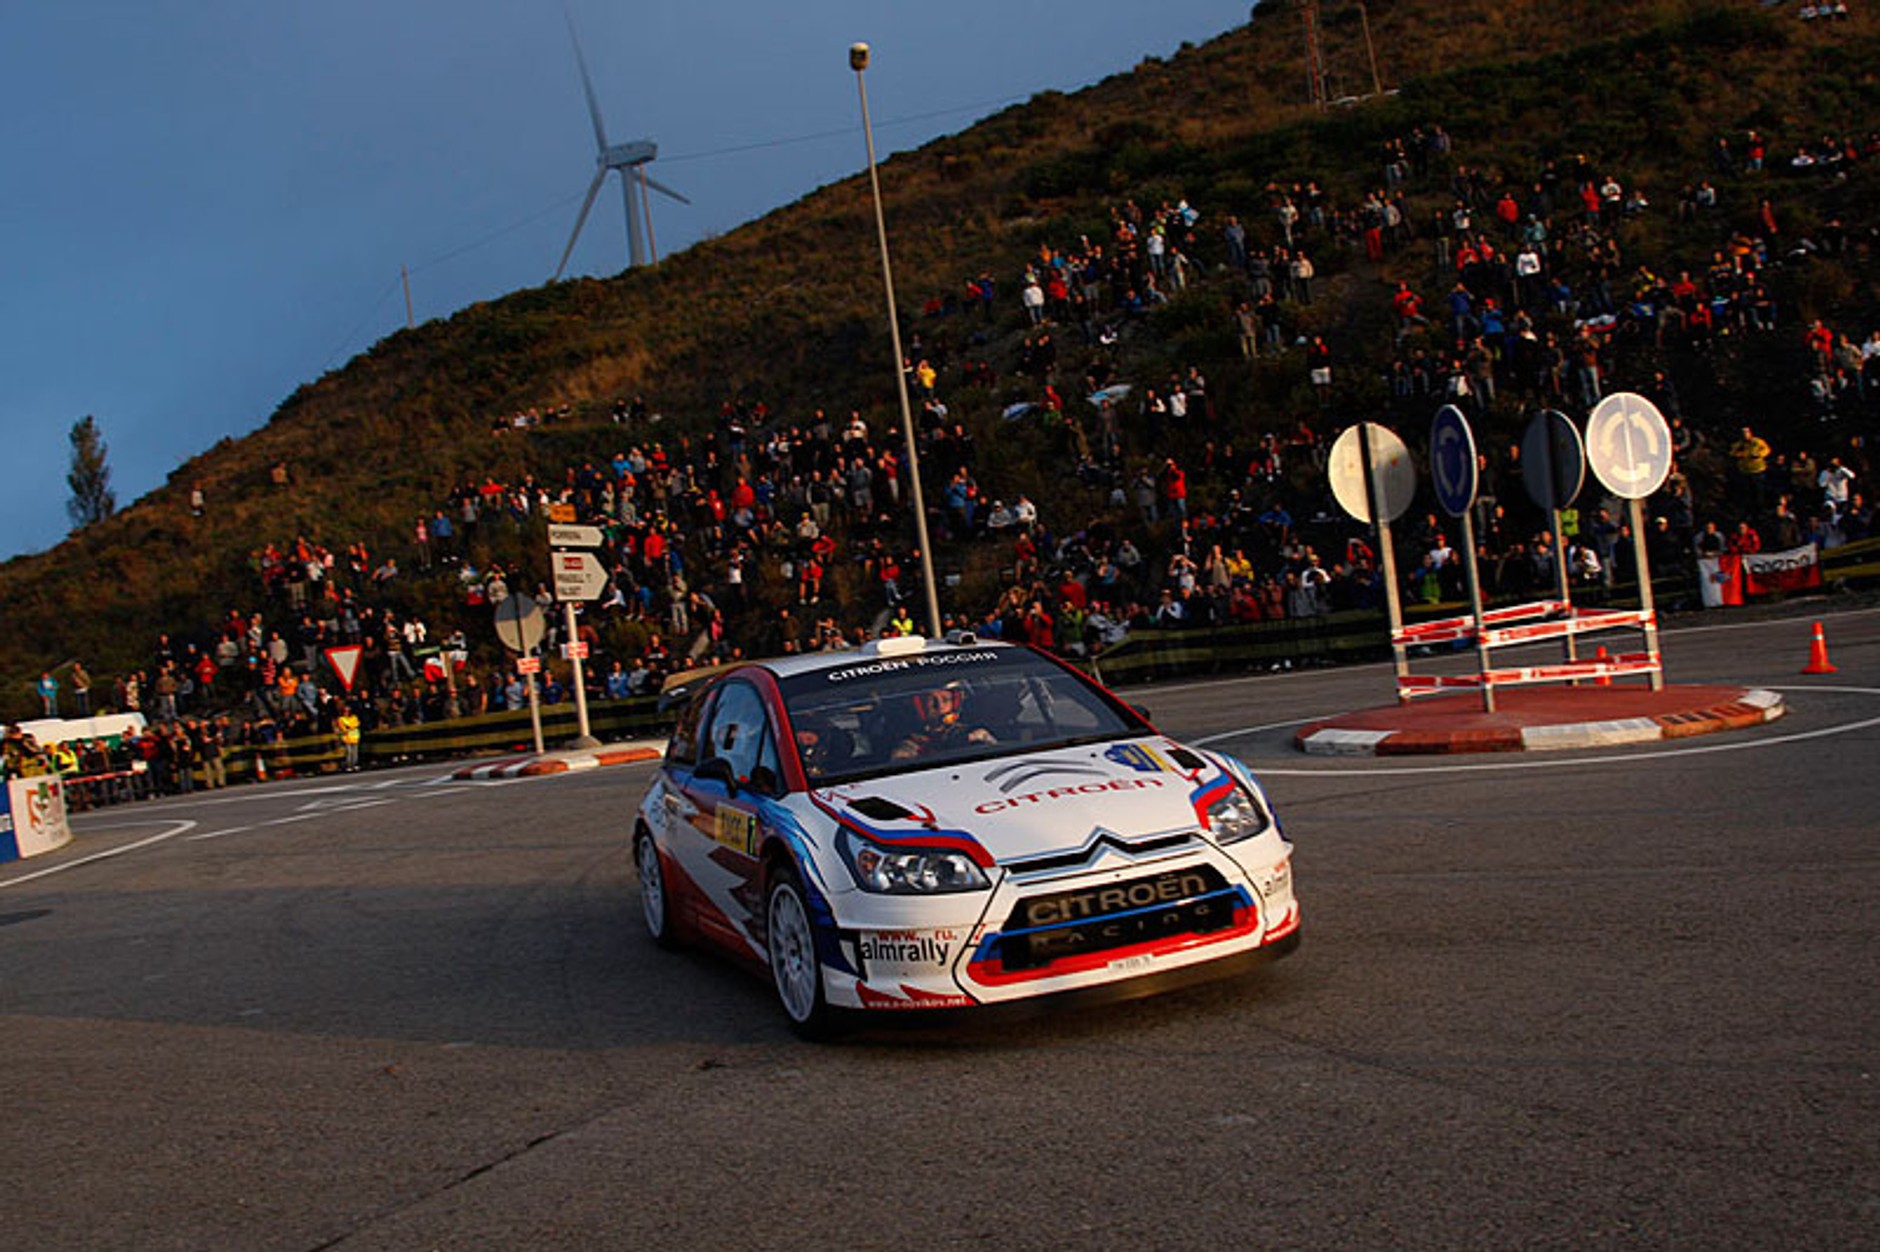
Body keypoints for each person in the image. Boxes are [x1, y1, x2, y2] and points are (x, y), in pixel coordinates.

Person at [887, 687, 995, 762]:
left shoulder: (977, 734)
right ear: (920, 706)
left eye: (946, 699)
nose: (940, 706)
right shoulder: (908, 746)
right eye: (932, 701)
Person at [336, 703, 362, 772]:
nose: (346, 712)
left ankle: (355, 764)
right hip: (347, 737)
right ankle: (349, 765)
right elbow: (342, 727)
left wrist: (350, 726)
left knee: (355, 752)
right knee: (349, 752)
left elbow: (356, 724)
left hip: (355, 736)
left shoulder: (354, 717)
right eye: (345, 711)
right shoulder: (341, 719)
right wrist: (349, 727)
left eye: (348, 711)